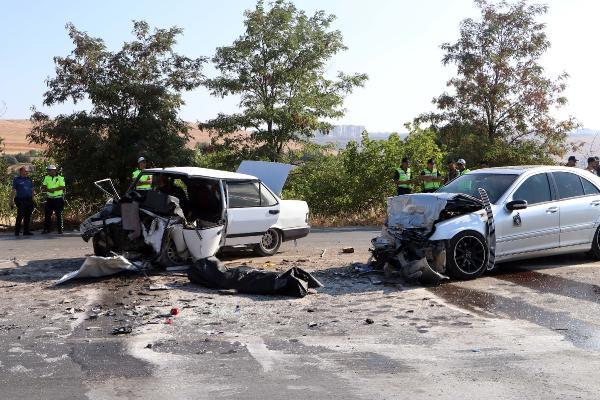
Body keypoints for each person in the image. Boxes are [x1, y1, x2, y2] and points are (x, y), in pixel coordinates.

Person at [11, 166, 35, 236]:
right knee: (20, 215)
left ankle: (26, 231)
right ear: (21, 172)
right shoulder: (16, 180)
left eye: (27, 171)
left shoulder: (29, 179)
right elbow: (14, 190)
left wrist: (33, 199)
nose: (27, 172)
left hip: (29, 199)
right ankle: (17, 231)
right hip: (20, 200)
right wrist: (11, 200)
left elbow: (32, 189)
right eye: (25, 171)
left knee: (28, 216)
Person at [42, 165, 65, 234]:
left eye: (50, 170)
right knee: (47, 214)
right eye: (48, 170)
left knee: (59, 214)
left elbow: (62, 187)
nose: (48, 171)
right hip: (49, 199)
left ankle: (60, 229)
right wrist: (48, 189)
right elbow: (44, 186)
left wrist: (53, 189)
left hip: (58, 199)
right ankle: (47, 229)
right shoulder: (46, 177)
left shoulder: (60, 177)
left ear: (54, 170)